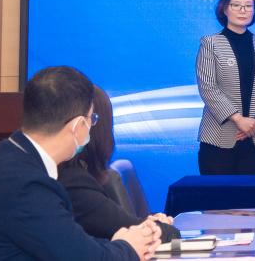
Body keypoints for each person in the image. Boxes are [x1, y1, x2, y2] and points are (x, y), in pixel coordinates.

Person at [0, 66, 159, 260]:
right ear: (77, 126)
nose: (91, 127)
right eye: (91, 119)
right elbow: (82, 257)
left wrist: (120, 244)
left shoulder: (8, 157)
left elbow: (69, 243)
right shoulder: (23, 182)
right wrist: (128, 247)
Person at [58, 86, 179, 243]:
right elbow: (144, 230)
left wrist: (152, 223)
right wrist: (159, 225)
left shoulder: (72, 174)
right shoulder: (75, 182)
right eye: (91, 119)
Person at [196, 0, 255, 175]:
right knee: (217, 194)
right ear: (224, 9)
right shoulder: (210, 43)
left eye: (248, 6)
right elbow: (208, 88)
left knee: (252, 194)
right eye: (236, 5)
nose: (243, 10)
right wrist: (238, 119)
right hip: (218, 138)